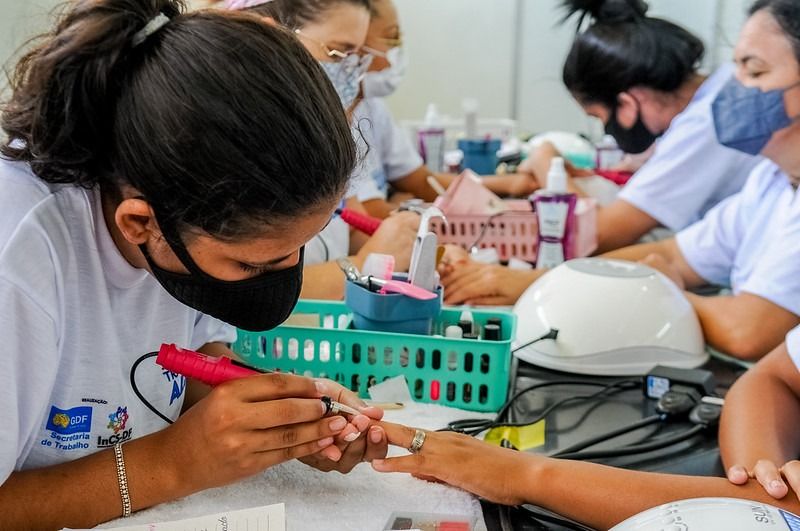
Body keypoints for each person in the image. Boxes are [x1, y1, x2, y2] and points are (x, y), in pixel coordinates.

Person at [367, 5, 800, 528]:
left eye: (754, 71)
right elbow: (675, 265)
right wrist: (755, 491)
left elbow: (750, 329)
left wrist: (518, 474)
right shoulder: (773, 183)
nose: (729, 89)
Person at [0, 2, 389, 528]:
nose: (285, 274)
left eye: (302, 247)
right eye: (253, 265)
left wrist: (274, 422)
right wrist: (174, 464)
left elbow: (192, 361)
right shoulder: (19, 253)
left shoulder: (178, 200)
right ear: (141, 224)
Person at [511, 0, 761, 254]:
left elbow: (597, 235)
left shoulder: (706, 125)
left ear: (627, 104)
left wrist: (544, 157)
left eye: (599, 117)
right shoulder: (723, 87)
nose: (607, 129)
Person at [345, 0, 542, 220]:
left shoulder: (372, 105)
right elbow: (362, 216)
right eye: (391, 38)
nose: (391, 61)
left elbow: (419, 179)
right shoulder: (336, 117)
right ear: (354, 40)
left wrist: (508, 185)